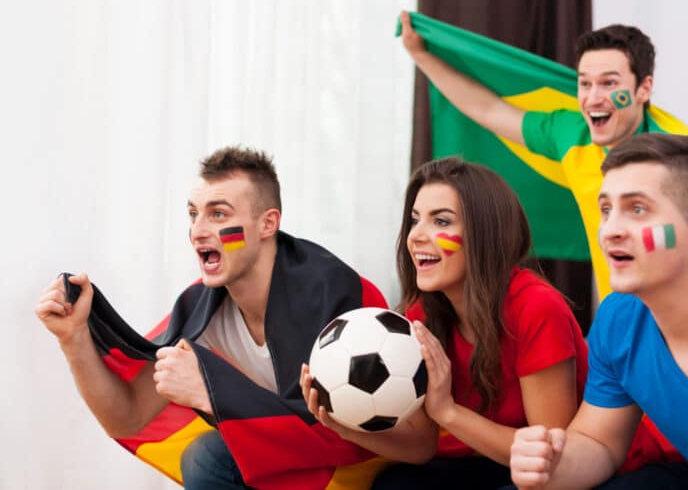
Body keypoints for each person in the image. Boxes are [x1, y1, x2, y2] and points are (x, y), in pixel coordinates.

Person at [34, 147, 433, 489]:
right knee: (208, 455)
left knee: (209, 456)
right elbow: (127, 416)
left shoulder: (338, 294)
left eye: (218, 215)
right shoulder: (200, 309)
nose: (197, 231)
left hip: (359, 469)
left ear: (268, 224)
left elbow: (418, 444)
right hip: (291, 465)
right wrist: (74, 338)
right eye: (193, 214)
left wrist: (214, 392)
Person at [304, 157, 588, 489]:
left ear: (485, 234)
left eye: (441, 221)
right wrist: (344, 427)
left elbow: (551, 457)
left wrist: (448, 412)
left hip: (544, 470)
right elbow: (422, 447)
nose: (416, 236)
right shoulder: (420, 316)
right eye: (415, 220)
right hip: (472, 462)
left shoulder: (536, 307)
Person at [509, 133, 688, 489]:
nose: (610, 231)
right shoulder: (618, 318)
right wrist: (550, 463)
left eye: (637, 209)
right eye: (606, 210)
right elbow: (600, 443)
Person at [399, 11, 688, 300]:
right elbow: (488, 110)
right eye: (585, 83)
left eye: (609, 83)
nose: (592, 98)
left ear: (644, 89)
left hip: (672, 310)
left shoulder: (679, 153)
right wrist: (421, 55)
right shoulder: (570, 132)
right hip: (615, 310)